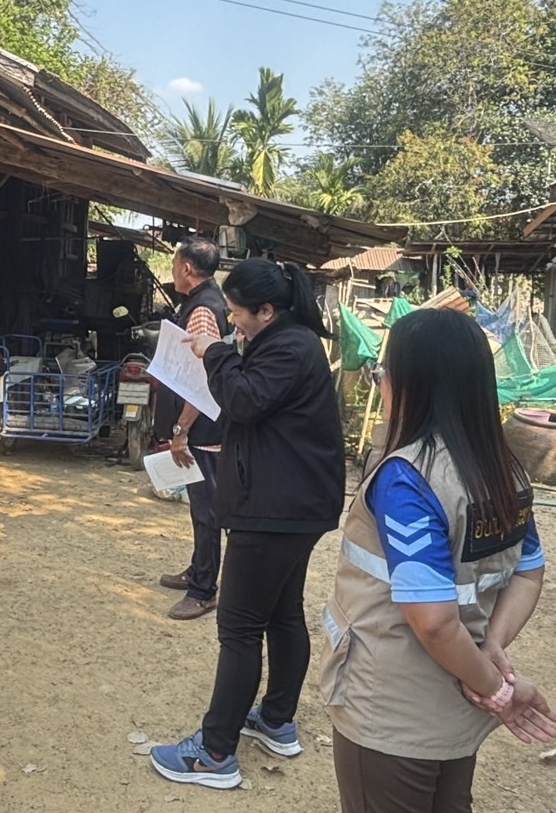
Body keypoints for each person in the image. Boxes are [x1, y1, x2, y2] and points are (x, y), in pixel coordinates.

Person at [321, 307, 556, 813]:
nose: (380, 382)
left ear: (410, 384)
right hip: (457, 700)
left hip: (392, 706)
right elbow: (528, 570)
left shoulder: (407, 478)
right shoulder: (502, 468)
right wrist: (492, 647)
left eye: (382, 372)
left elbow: (433, 622)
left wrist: (496, 690)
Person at [149, 258, 345, 790]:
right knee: (281, 613)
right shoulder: (288, 341)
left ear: (267, 310)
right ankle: (276, 719)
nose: (233, 322)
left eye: (238, 313)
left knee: (238, 628)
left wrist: (214, 352)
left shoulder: (289, 347)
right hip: (293, 503)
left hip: (276, 508)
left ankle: (215, 753)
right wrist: (228, 352)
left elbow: (243, 400)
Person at [154, 237, 232, 620]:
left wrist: (181, 429)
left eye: (174, 264)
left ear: (186, 268)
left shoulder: (202, 311)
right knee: (200, 507)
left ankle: (203, 590)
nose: (172, 271)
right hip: (205, 427)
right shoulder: (210, 300)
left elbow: (202, 380)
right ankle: (197, 569)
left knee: (206, 511)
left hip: (204, 431)